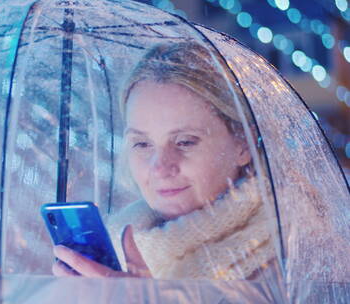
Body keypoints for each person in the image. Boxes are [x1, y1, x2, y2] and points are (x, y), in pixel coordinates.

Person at [52, 40, 278, 281]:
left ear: (244, 143)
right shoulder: (117, 246)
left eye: (185, 142)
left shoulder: (292, 254)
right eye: (142, 144)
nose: (159, 168)